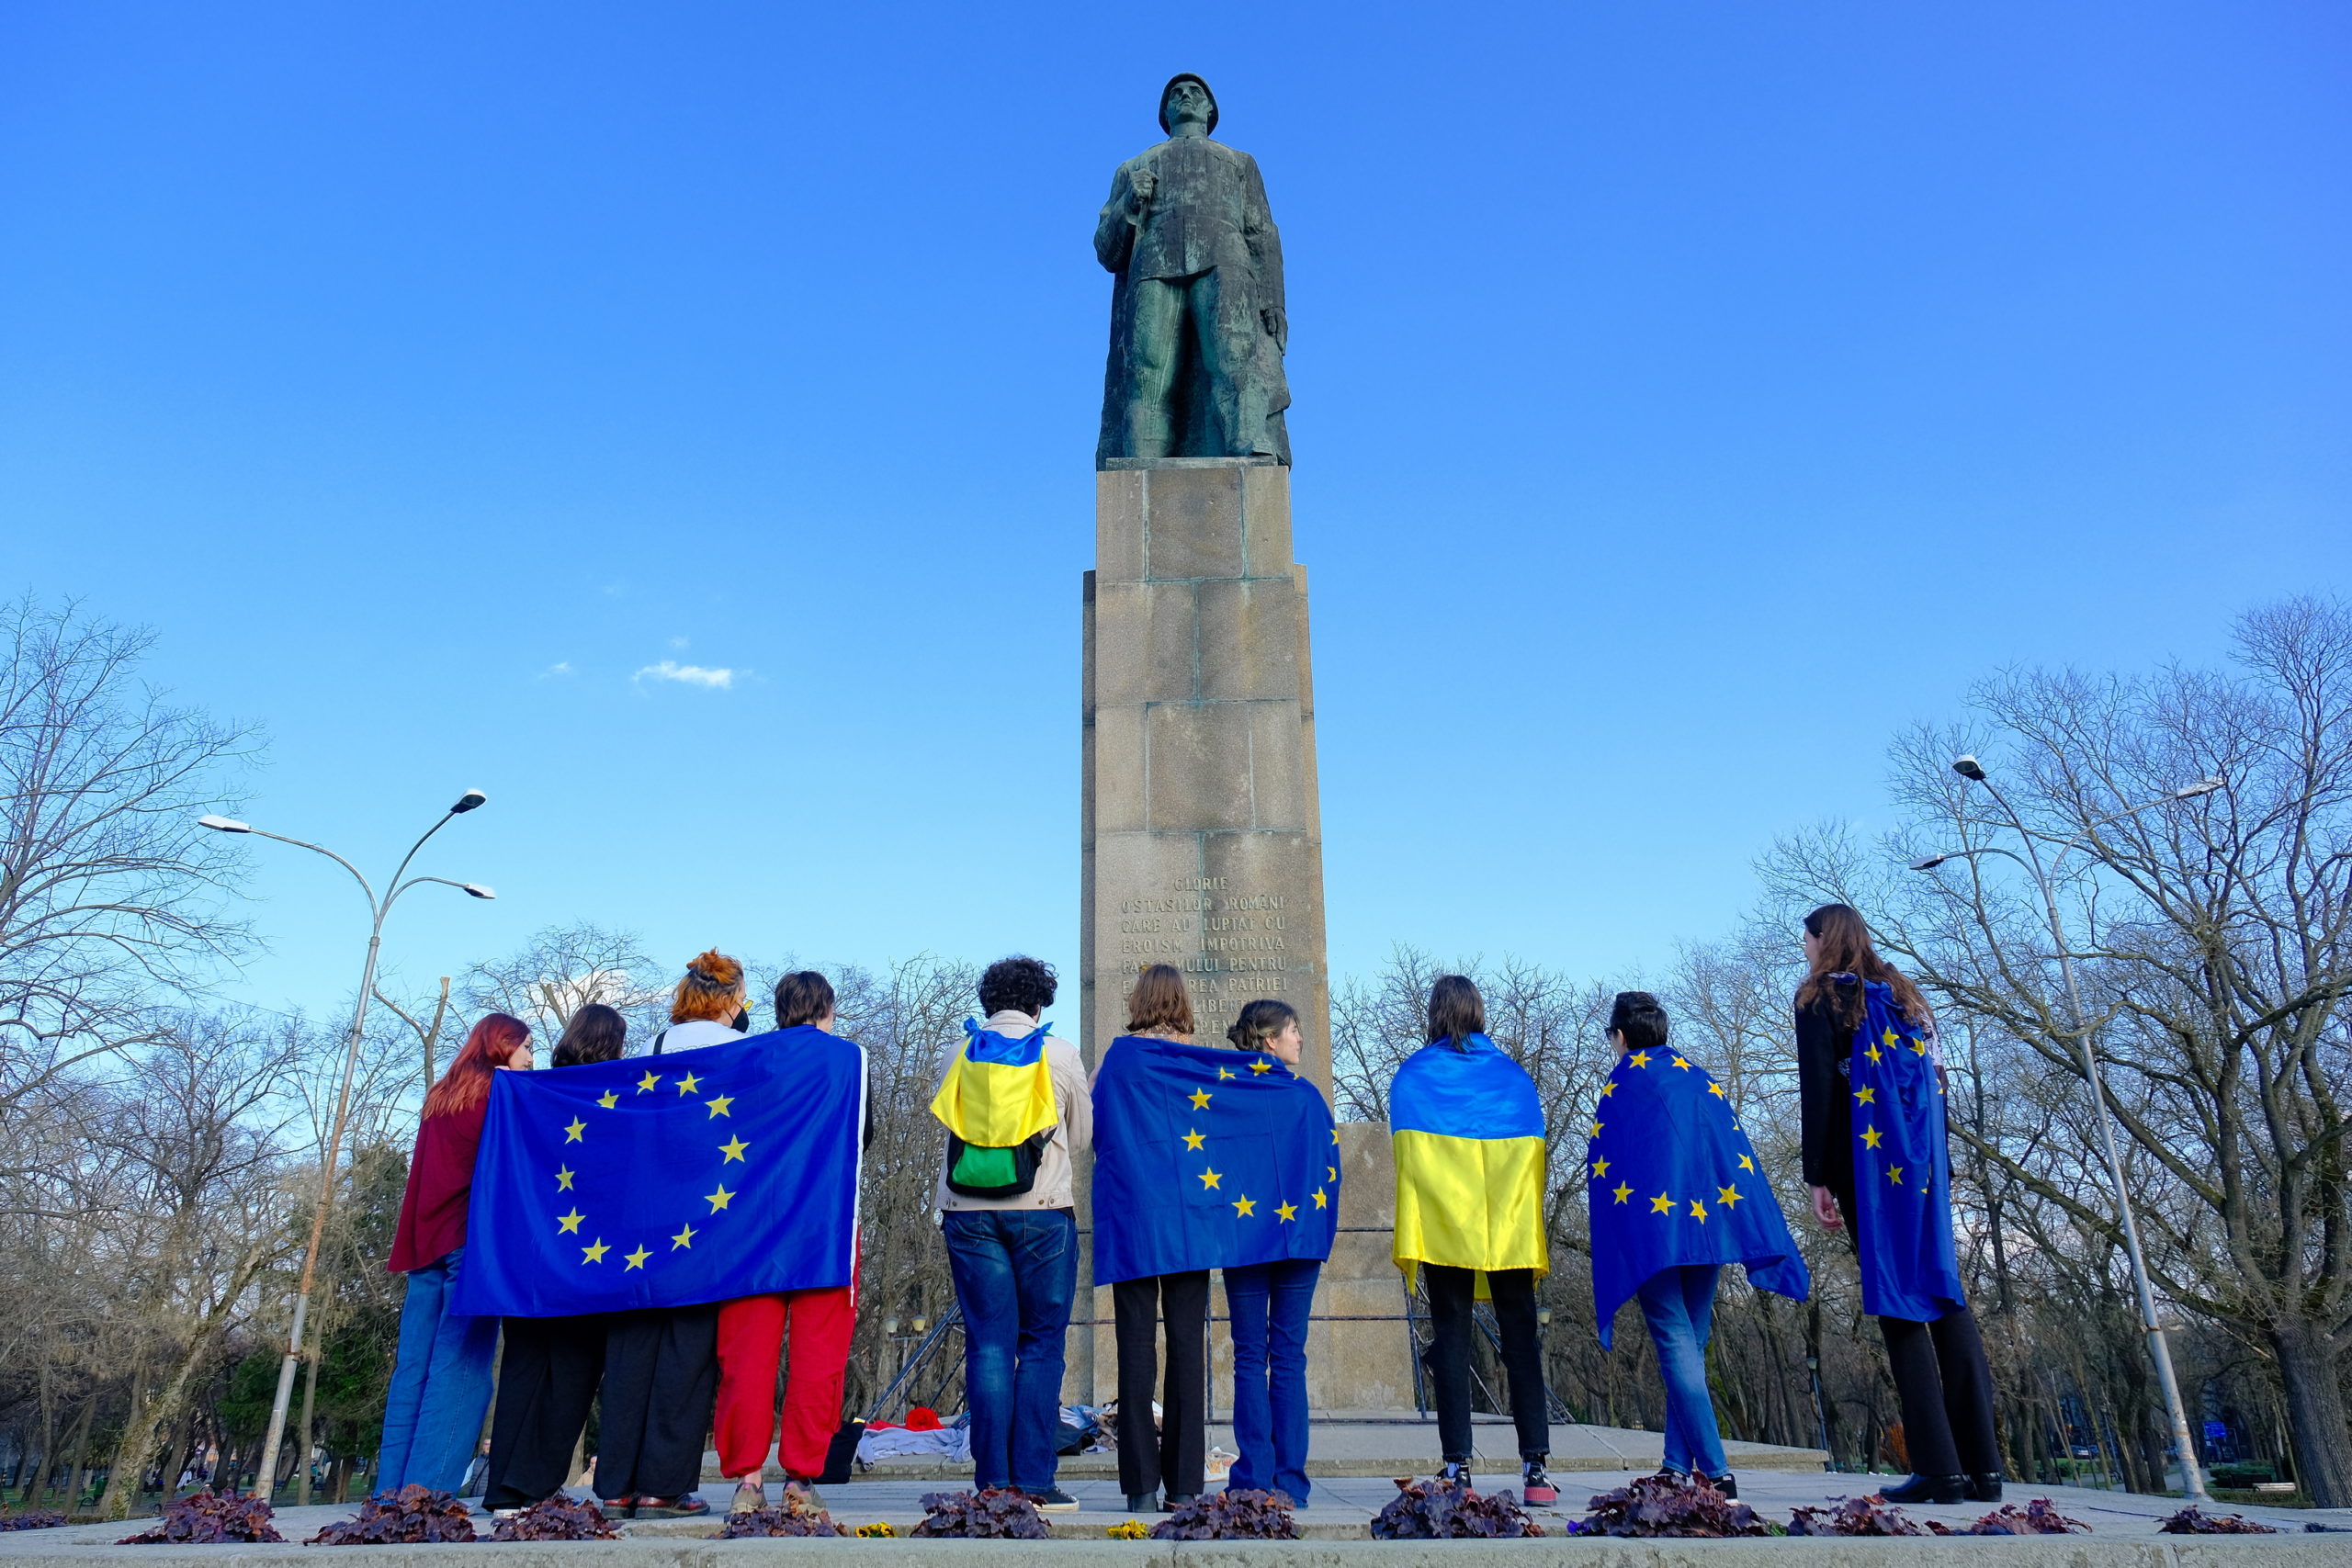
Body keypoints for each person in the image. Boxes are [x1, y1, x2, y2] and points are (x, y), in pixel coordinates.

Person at [1796, 903, 2003, 1505]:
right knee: (1946, 1295)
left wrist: (1818, 1176)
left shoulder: (1819, 997)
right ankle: (1983, 1466)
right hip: (1923, 1164)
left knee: (1898, 1304)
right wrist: (1944, 1167)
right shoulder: (1901, 992)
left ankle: (1939, 1468)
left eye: (1806, 941)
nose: (1804, 951)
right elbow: (1935, 1080)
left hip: (1863, 1164)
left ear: (1821, 939)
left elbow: (1820, 1088)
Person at [1585, 992, 1808, 1500]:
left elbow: (1610, 1165)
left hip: (1654, 1238)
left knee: (1674, 1341)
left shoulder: (1622, 1087)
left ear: (1620, 1036)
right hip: (1708, 1228)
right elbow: (1729, 1150)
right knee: (1692, 1343)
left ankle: (1716, 1471)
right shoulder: (1698, 1079)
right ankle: (1674, 1465)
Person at [930, 955, 1091, 1512]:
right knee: (1042, 1344)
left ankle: (992, 1481)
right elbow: (1085, 1137)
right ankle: (1035, 1481)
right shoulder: (1060, 1052)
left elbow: (947, 1131)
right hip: (1043, 1211)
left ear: (987, 1002)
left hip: (968, 1213)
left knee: (989, 1344)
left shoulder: (959, 1051)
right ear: (1039, 1003)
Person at [1388, 976, 1557, 1505]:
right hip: (1507, 1227)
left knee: (1452, 1338)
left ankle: (1457, 1467)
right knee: (1522, 1340)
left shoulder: (1415, 1076)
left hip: (1444, 1230)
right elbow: (1533, 1160)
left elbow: (1410, 1164)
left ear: (1435, 1013)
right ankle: (1536, 1470)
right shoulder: (1513, 1078)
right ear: (1479, 1013)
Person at [594, 950, 744, 1518]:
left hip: (643, 1218)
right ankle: (663, 1488)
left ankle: (613, 1487)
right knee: (688, 1353)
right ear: (730, 1000)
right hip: (707, 1219)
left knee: (632, 1349)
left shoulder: (655, 1046)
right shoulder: (744, 1051)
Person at [716, 971, 866, 1514]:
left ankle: (747, 1480)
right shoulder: (849, 1059)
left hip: (748, 1230)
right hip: (822, 1226)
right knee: (818, 1356)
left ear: (779, 1010)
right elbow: (860, 1137)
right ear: (826, 1010)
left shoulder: (744, 1057)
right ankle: (801, 1477)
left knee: (746, 1356)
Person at [379, 1012, 534, 1494]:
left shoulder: (440, 1096)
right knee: (461, 1367)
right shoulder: (502, 1093)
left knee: (413, 1368)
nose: (531, 1058)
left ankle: (391, 1490)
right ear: (502, 1045)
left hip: (423, 1243)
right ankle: (427, 1492)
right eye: (526, 1047)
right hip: (470, 1246)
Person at [481, 1002, 627, 1513]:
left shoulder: (530, 1090)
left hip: (528, 1261)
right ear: (615, 1044)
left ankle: (503, 1488)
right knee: (571, 1376)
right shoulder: (619, 1097)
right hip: (589, 1266)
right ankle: (536, 1486)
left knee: (522, 1369)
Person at [1100, 963, 1210, 1513]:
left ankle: (1140, 1485)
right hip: (1190, 1217)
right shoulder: (1200, 1058)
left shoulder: (1119, 1057)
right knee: (1189, 1347)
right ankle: (1186, 1484)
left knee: (1135, 1350)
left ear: (1139, 1001)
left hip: (1134, 1217)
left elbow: (1099, 1130)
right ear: (1181, 1002)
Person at [1219, 998, 1321, 1506]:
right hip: (1298, 1242)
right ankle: (1291, 1483)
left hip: (1244, 1241)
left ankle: (1254, 1478)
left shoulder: (1224, 1094)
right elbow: (1328, 1171)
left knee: (1250, 1356)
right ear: (1269, 1042)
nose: (1301, 1039)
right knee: (1286, 1358)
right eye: (1294, 1030)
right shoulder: (1306, 1098)